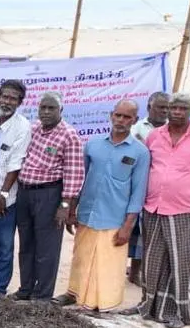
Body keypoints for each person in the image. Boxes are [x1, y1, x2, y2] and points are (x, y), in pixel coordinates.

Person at [126, 92, 190, 328]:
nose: (177, 112)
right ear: (167, 110)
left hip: (183, 207)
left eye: (183, 108)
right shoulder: (155, 136)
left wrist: (187, 186)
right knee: (152, 259)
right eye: (173, 108)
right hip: (153, 206)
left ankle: (180, 312)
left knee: (180, 261)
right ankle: (147, 306)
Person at [57, 100, 150, 311]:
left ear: (134, 120)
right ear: (111, 116)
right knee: (81, 257)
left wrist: (128, 226)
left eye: (127, 117)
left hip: (115, 218)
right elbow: (79, 179)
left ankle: (103, 303)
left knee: (108, 264)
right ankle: (74, 294)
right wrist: (72, 209)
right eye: (118, 115)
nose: (121, 120)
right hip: (88, 212)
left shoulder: (140, 152)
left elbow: (138, 192)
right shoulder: (92, 144)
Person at [14, 92, 85, 301]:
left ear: (60, 110)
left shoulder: (69, 135)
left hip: (49, 195)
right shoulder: (33, 128)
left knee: (47, 249)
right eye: (43, 107)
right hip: (25, 193)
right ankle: (25, 289)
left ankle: (42, 296)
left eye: (51, 108)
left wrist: (64, 205)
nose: (45, 112)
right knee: (26, 245)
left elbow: (74, 173)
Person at [0, 79, 30, 296]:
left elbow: (15, 163)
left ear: (20, 102)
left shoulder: (23, 126)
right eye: (4, 97)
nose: (7, 101)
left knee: (4, 243)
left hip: (5, 197)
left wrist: (4, 193)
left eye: (12, 98)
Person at [128, 91, 170, 284]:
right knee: (137, 231)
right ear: (149, 108)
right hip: (139, 185)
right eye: (159, 107)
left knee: (154, 232)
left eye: (166, 107)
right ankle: (135, 273)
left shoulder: (173, 130)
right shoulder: (136, 129)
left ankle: (150, 274)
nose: (164, 111)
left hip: (163, 188)